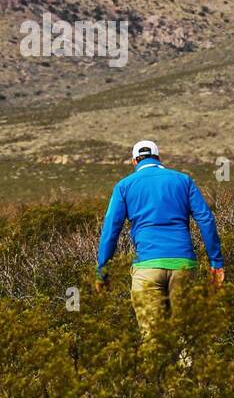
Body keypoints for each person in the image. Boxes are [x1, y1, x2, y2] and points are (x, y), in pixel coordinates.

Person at [96, 140, 223, 338]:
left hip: (147, 267)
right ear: (158, 158)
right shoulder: (184, 180)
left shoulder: (124, 186)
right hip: (183, 265)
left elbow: (111, 230)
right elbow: (206, 219)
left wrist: (102, 271)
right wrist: (216, 262)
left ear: (134, 161)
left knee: (153, 341)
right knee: (186, 338)